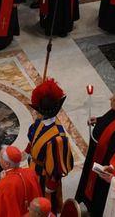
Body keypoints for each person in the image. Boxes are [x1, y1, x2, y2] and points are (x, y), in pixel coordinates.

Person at [74, 88, 115, 216]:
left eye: (114, 99)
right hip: (97, 154)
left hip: (105, 160)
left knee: (99, 190)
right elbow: (111, 118)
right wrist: (99, 121)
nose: (110, 100)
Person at [28, 79, 74, 211]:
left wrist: (50, 188)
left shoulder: (58, 138)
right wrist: (25, 153)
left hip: (45, 179)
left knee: (44, 208)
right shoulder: (39, 123)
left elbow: (57, 170)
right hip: (33, 171)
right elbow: (32, 141)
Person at [0, 146, 43, 216]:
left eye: (0, 157)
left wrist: (3, 179)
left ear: (7, 164)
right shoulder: (31, 173)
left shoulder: (3, 184)